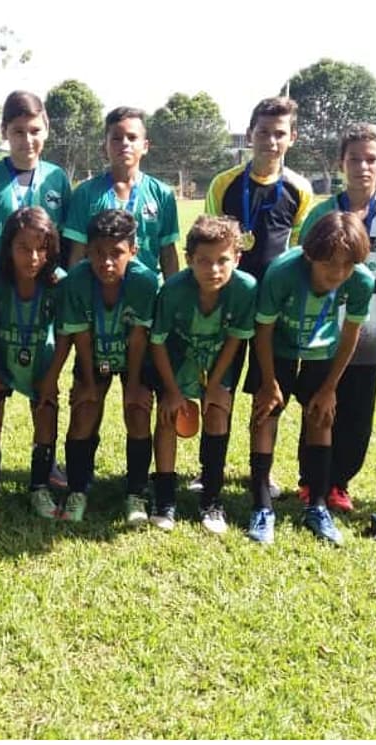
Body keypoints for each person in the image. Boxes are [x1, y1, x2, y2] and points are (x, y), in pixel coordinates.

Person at [296, 123, 376, 513]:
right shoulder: (322, 212)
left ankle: (339, 483)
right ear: (340, 163)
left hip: (371, 327)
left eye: (371, 159)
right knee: (319, 405)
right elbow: (305, 264)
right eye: (354, 159)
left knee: (358, 410)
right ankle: (312, 481)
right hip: (322, 327)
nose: (363, 167)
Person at [203, 96, 314, 500]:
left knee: (270, 390)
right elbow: (211, 240)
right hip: (229, 305)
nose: (271, 140)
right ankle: (210, 468)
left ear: (292, 138)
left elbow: (301, 251)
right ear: (250, 134)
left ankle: (260, 472)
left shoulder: (300, 189)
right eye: (263, 132)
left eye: (279, 133)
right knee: (222, 386)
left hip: (276, 311)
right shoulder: (224, 183)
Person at [249, 212, 374, 546]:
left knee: (322, 416)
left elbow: (351, 334)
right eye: (329, 264)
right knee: (265, 414)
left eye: (347, 265)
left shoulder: (361, 281)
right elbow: (263, 329)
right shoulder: (283, 273)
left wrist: (331, 387)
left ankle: (317, 505)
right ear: (310, 255)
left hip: (323, 350)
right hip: (278, 348)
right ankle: (261, 507)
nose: (338, 273)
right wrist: (269, 382)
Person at [149, 216, 256, 534]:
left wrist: (216, 385)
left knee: (217, 412)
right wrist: (171, 391)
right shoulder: (173, 290)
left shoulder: (245, 288)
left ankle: (211, 498)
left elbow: (236, 338)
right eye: (203, 261)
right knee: (168, 416)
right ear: (189, 260)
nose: (214, 269)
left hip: (220, 359)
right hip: (175, 359)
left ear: (237, 258)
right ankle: (165, 496)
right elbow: (157, 344)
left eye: (223, 260)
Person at [58, 210, 161, 523]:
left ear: (133, 251)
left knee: (138, 411)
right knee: (84, 411)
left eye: (116, 253)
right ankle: (77, 488)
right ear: (87, 250)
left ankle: (136, 493)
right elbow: (82, 337)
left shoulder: (144, 281)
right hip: (94, 353)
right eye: (98, 253)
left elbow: (139, 337)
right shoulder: (76, 280)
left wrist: (133, 388)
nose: (106, 262)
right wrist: (88, 383)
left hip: (135, 356)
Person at [0, 207, 70, 522]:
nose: (32, 257)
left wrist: (52, 376)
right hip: (0, 360)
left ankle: (39, 487)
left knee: (46, 413)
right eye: (23, 248)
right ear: (8, 248)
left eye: (41, 249)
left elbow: (65, 334)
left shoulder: (58, 283)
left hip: (41, 363)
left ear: (52, 249)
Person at [61, 107, 179, 278]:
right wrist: (75, 295)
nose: (125, 143)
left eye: (132, 138)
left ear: (145, 146)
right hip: (97, 295)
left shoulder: (163, 194)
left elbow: (168, 253)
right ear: (105, 147)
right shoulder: (85, 193)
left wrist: (171, 297)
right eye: (116, 138)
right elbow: (77, 254)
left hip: (145, 294)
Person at [0, 91, 71, 275]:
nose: (27, 140)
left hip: (45, 289)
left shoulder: (57, 177)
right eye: (19, 132)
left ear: (46, 129)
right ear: (4, 131)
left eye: (35, 131)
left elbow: (65, 240)